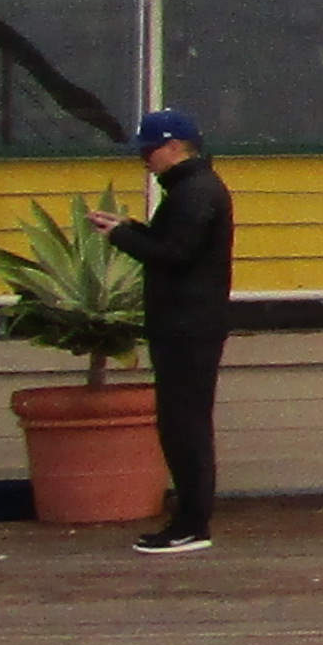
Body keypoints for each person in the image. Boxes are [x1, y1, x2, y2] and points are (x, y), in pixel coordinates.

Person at [102, 109, 233, 558]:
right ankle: (189, 519)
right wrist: (128, 229)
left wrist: (123, 237)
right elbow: (171, 245)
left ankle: (193, 523)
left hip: (188, 327)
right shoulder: (192, 190)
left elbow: (175, 255)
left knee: (185, 426)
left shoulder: (194, 193)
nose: (144, 158)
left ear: (175, 147)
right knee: (182, 423)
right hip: (188, 324)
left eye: (149, 148)